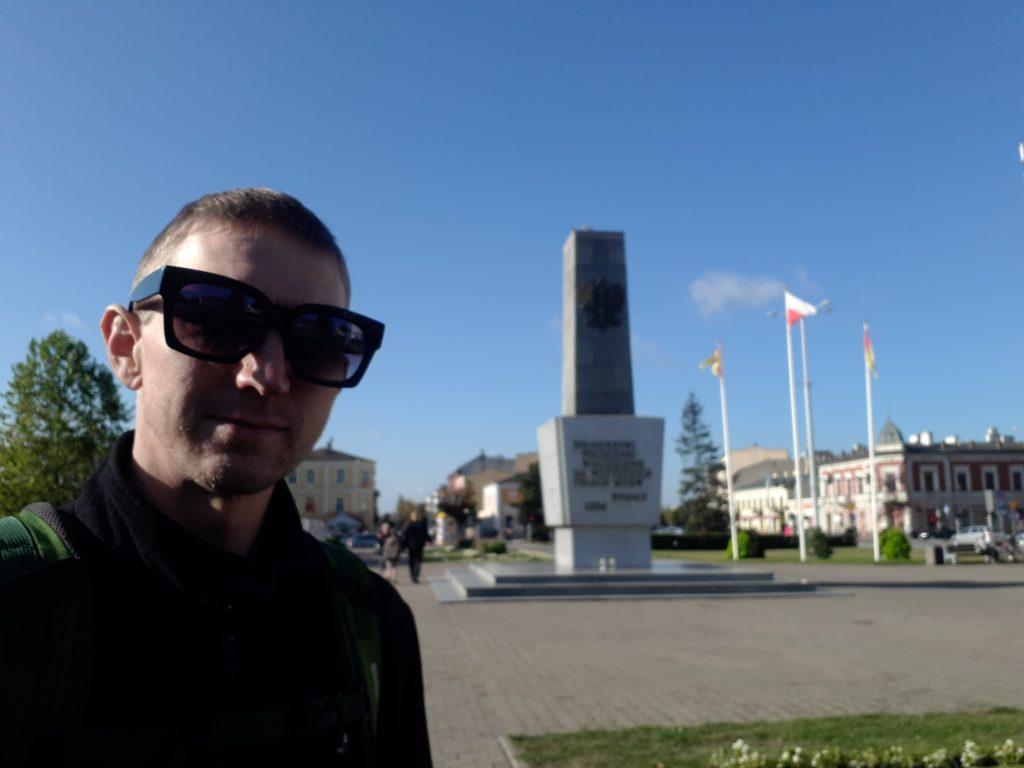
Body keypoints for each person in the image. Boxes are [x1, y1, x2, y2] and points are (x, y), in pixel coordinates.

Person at [0, 188, 432, 766]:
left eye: (323, 340)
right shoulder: (19, 605)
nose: (268, 375)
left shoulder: (371, 620)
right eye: (215, 318)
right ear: (126, 347)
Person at [402, 510, 429, 584]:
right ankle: (415, 576)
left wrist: (403, 545)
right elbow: (425, 534)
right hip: (416, 546)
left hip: (414, 546)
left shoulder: (409, 525)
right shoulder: (420, 525)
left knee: (414, 561)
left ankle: (414, 576)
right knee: (416, 561)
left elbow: (405, 536)